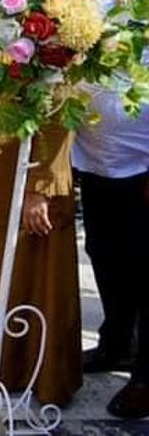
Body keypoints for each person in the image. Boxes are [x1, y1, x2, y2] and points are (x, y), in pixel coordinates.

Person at [0, 125, 82, 407]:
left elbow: (57, 116)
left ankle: (21, 368)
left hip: (22, 178)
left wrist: (39, 187)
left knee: (28, 277)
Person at [72, 70, 149, 417]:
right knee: (104, 254)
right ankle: (117, 344)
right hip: (96, 163)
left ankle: (147, 377)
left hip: (143, 166)